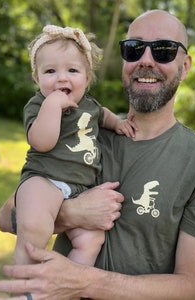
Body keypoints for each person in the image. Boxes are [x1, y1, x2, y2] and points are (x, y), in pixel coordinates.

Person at [0, 9, 195, 300]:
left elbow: (190, 289)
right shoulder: (80, 130)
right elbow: (6, 218)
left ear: (186, 65)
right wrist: (74, 212)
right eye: (134, 49)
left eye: (164, 51)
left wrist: (82, 282)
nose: (146, 60)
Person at [12, 25, 136, 266]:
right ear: (37, 78)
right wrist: (53, 106)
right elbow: (42, 142)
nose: (61, 77)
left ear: (87, 78)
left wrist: (117, 123)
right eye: (50, 71)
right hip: (43, 181)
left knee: (91, 239)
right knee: (34, 225)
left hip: (80, 188)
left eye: (72, 70)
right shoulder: (38, 105)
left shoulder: (90, 105)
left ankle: (69, 283)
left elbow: (103, 115)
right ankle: (24, 283)